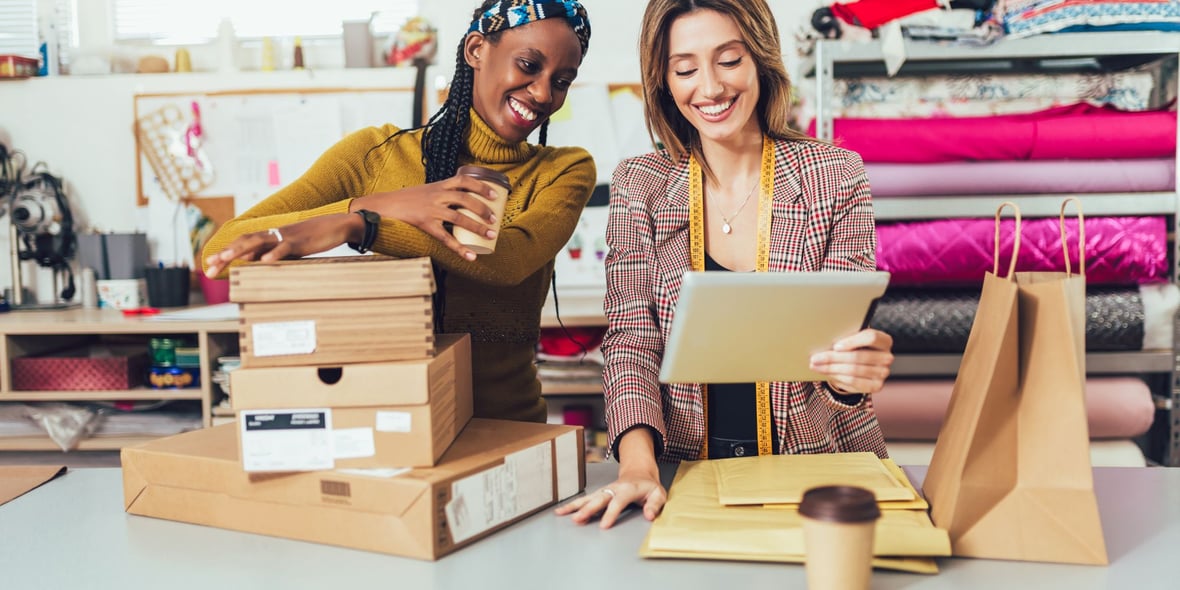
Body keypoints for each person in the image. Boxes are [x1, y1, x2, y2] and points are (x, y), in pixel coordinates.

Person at [556, 0, 893, 528]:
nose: (709, 88)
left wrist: (851, 374)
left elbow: (840, 341)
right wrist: (640, 466)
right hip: (680, 470)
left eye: (729, 60)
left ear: (760, 59)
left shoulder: (835, 173)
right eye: (685, 69)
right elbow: (631, 340)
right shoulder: (638, 184)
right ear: (663, 81)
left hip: (817, 469)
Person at [202, 0, 595, 423]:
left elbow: (509, 260)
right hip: (389, 426)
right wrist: (373, 206)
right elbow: (219, 254)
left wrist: (361, 227)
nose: (543, 92)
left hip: (506, 429)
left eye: (562, 80)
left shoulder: (563, 169)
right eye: (529, 65)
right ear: (477, 50)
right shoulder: (374, 156)